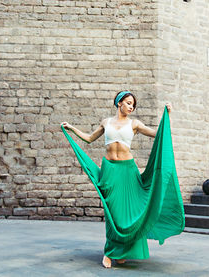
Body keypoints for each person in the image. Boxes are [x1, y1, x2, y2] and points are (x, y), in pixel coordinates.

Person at [61, 91, 185, 268]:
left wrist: (168, 116)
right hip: (110, 171)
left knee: (128, 213)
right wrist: (72, 128)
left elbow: (158, 134)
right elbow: (89, 139)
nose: (131, 106)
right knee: (113, 214)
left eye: (133, 104)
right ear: (119, 103)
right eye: (128, 103)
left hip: (128, 171)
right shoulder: (106, 122)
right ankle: (110, 253)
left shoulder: (135, 124)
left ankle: (123, 251)